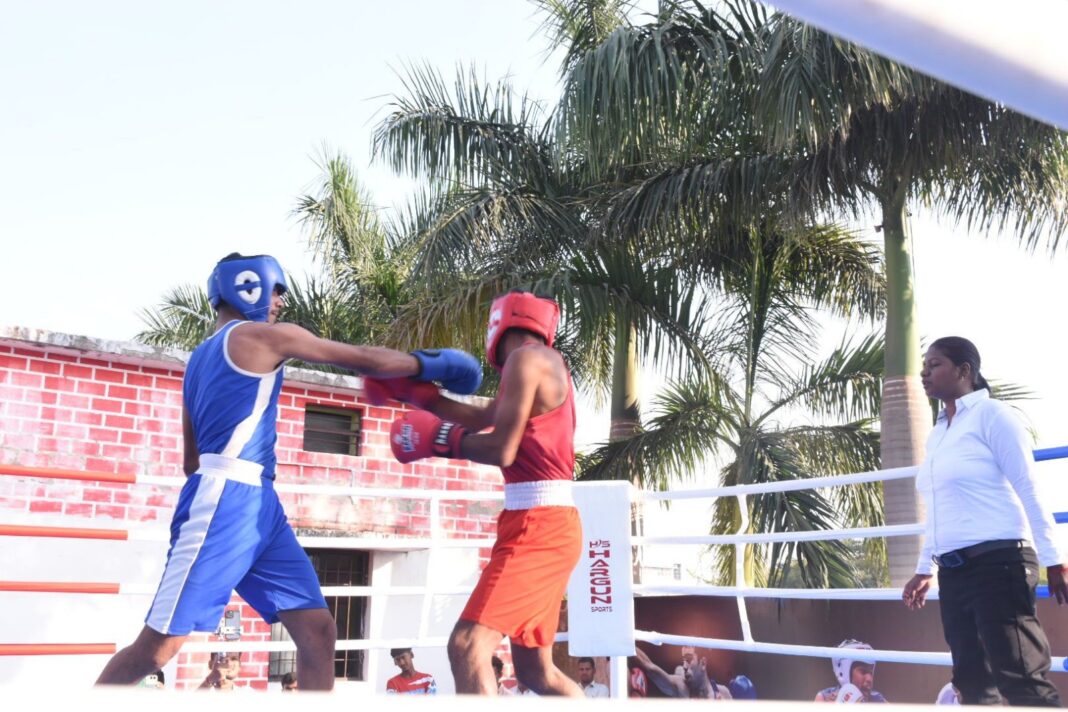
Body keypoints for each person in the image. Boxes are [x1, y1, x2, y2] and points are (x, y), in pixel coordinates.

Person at [95, 253, 482, 691]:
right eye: (277, 290)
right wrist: (429, 365)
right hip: (228, 500)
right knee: (158, 647)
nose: (280, 301)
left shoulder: (198, 361)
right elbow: (361, 358)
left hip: (254, 503)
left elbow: (191, 460)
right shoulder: (262, 336)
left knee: (317, 630)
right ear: (249, 286)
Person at [370, 291, 583, 697]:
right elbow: (486, 418)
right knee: (538, 674)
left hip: (541, 525)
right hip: (540, 520)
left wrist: (441, 440)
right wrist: (427, 399)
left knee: (467, 646)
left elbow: (501, 447)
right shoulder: (536, 363)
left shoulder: (527, 357)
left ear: (501, 322)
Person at [902, 336, 1068, 706]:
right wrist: (924, 568)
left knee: (1020, 677)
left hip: (999, 564)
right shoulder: (938, 433)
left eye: (935, 364)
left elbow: (1029, 486)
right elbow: (939, 507)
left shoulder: (994, 416)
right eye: (924, 366)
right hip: (955, 572)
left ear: (965, 371)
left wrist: (1054, 559)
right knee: (972, 681)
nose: (925, 373)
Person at [634, 645, 730, 699]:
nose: (685, 666)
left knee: (679, 670)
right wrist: (626, 643)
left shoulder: (724, 693)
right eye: (683, 661)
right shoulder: (682, 688)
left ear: (703, 663)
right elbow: (651, 669)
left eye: (688, 660)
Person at [814, 640, 886, 703]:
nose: (869, 679)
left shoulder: (878, 700)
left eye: (870, 672)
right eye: (863, 672)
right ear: (844, 672)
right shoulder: (825, 698)